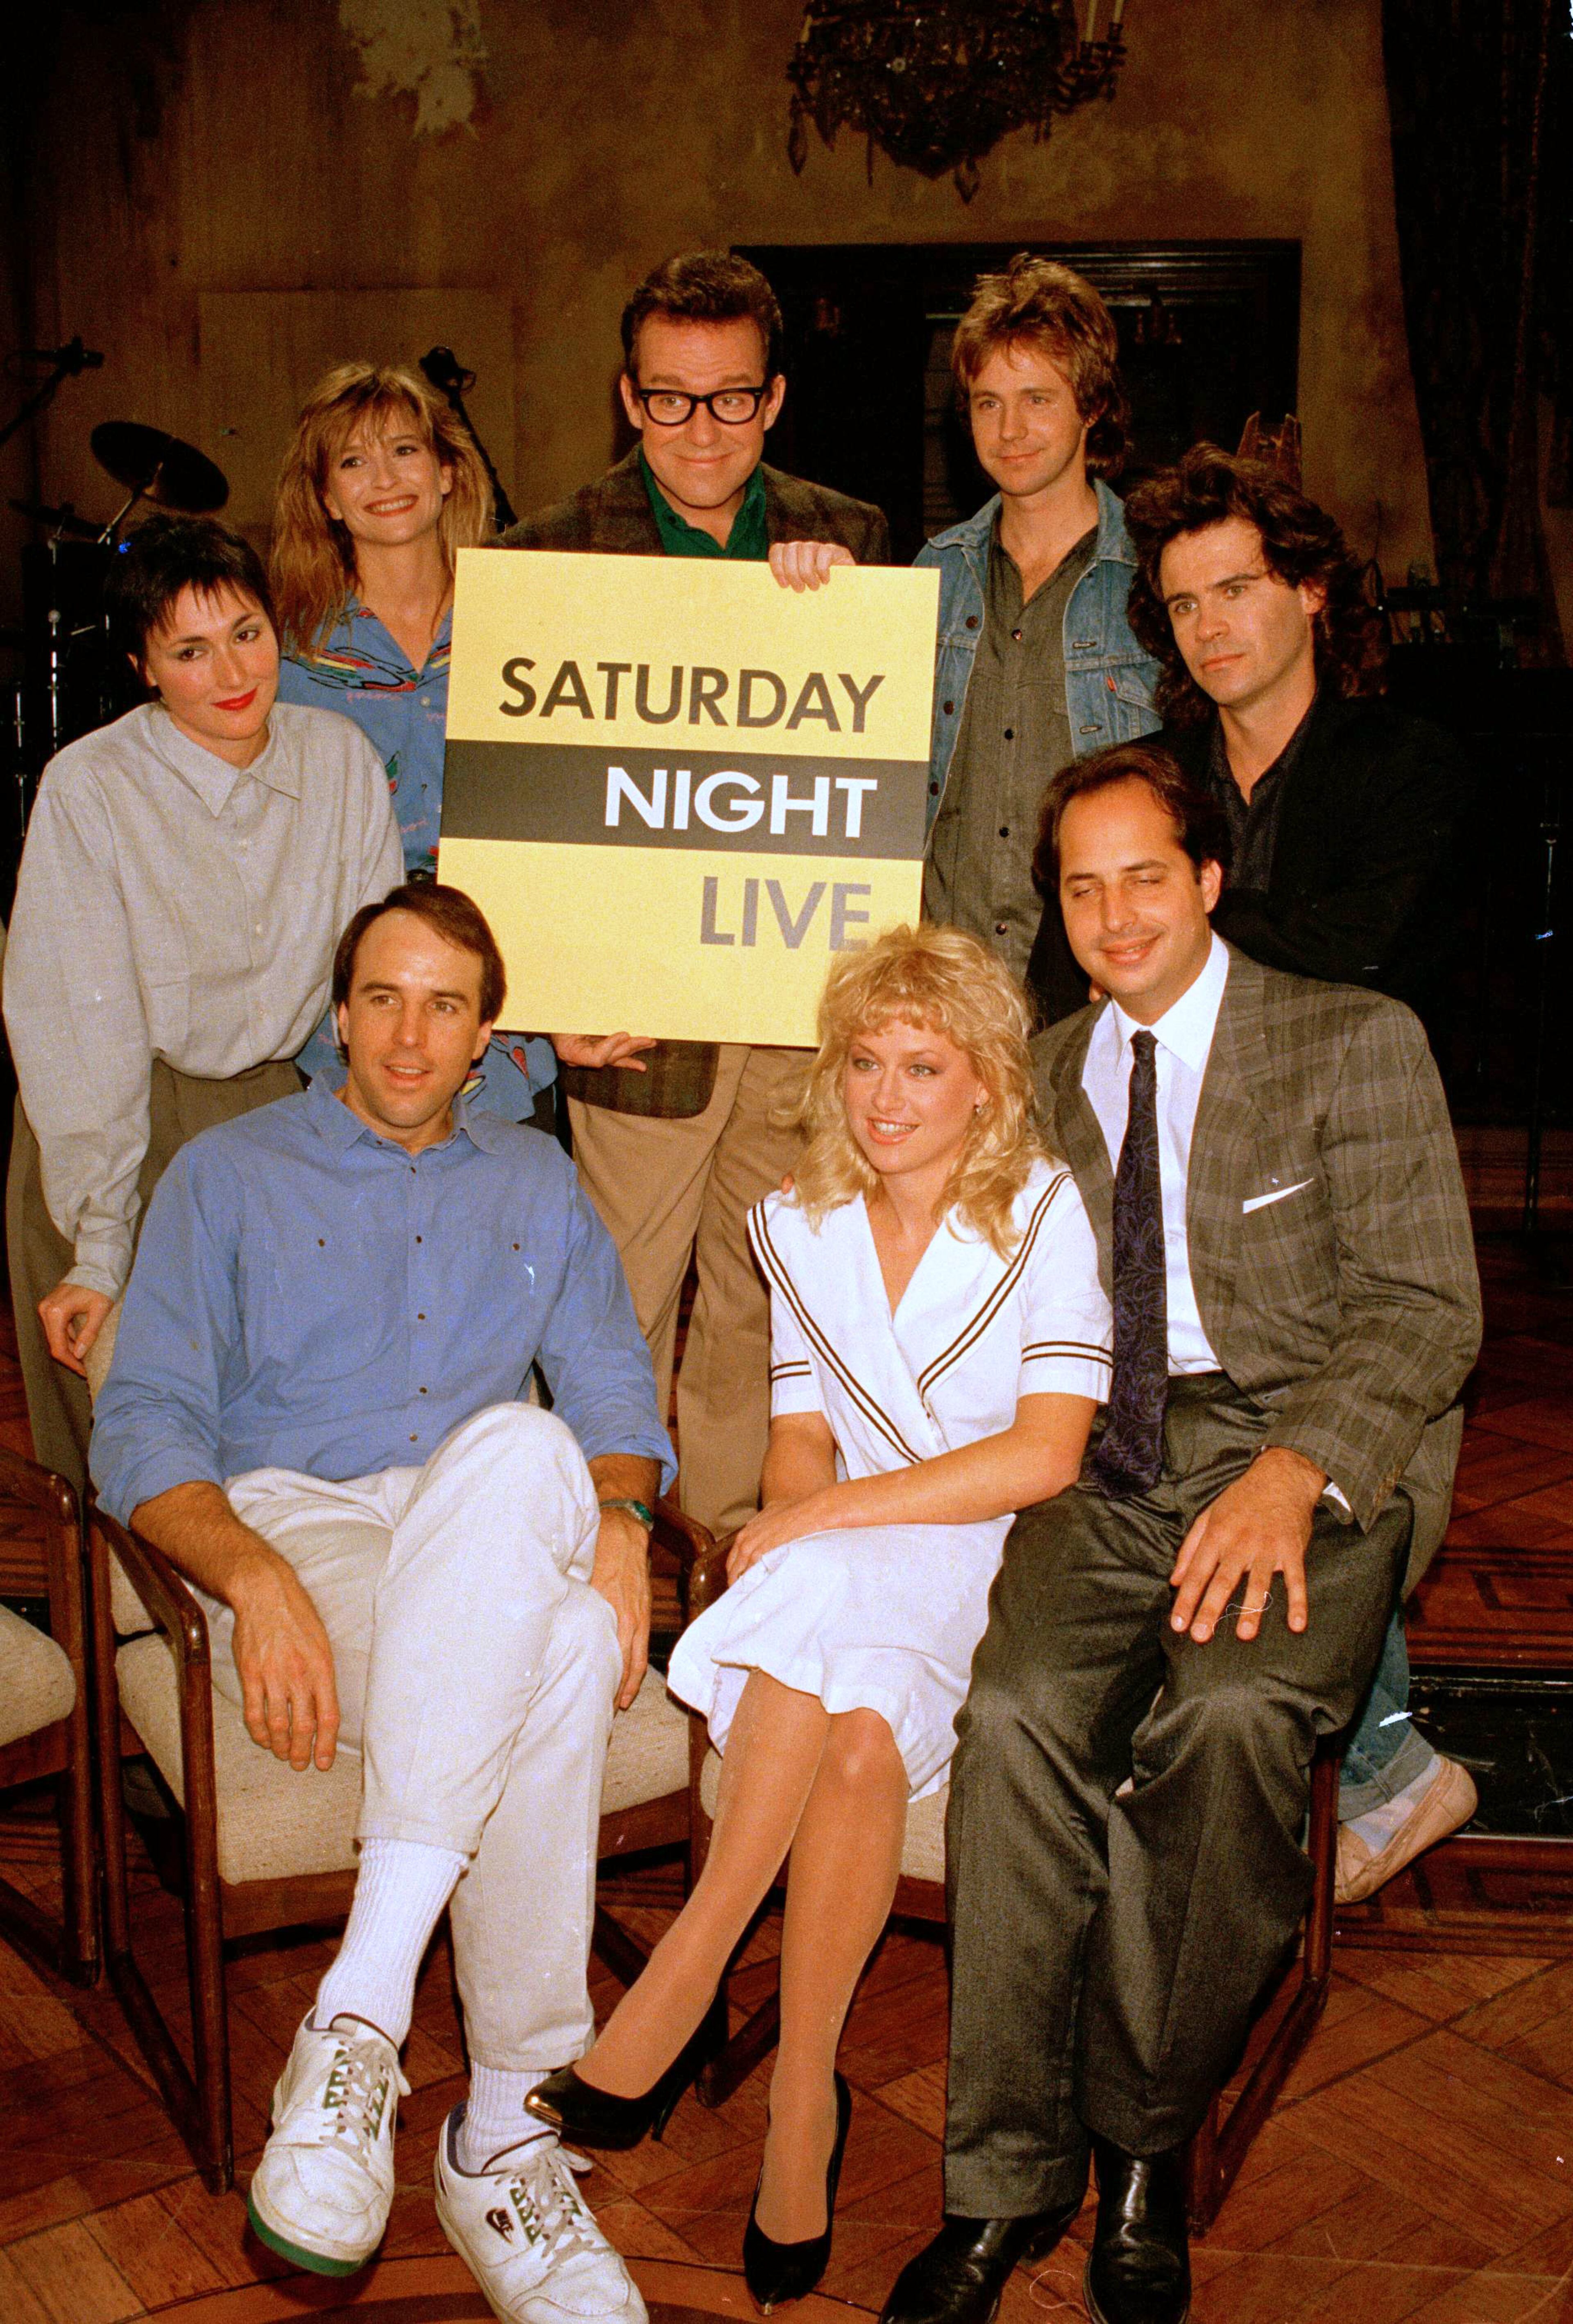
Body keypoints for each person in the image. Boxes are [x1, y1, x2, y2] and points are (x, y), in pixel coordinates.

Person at [881, 744, 1480, 2324]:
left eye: (1146, 874)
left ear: (1209, 879)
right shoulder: (1051, 1075)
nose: (1114, 912)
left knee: (1225, 1719)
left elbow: (1429, 1312)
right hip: (1112, 1462)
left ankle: (1142, 2143)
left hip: (1307, 1449)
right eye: (1081, 887)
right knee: (1010, 1723)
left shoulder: (1352, 1040)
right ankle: (1001, 2185)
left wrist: (1300, 1471)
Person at [90, 883, 674, 2322]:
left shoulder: (534, 1182)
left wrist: (617, 1514)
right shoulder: (223, 1176)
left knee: (529, 1446)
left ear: (489, 1038)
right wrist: (254, 1576)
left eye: (448, 1006)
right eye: (384, 998)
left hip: (487, 1518)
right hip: (297, 1521)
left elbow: (606, 1381)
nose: (411, 1037)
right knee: (554, 1654)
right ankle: (505, 2131)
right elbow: (145, 1421)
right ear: (338, 1013)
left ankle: (358, 2011)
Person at [521, 925, 1111, 2308]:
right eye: (862, 1062)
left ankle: (682, 1976)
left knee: (810, 1580)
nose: (887, 1096)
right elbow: (798, 1435)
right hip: (849, 1574)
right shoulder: (796, 1219)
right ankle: (803, 2099)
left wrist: (809, 1525)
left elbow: (1046, 1456)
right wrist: (799, 1518)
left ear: (985, 1086)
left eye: (924, 1065)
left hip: (993, 1560)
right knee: (847, 1739)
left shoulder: (1042, 1211)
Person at [1052, 443, 1477, 1903]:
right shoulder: (1163, 786)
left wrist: (1188, 961)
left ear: (1307, 591)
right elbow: (1098, 969)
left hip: (1353, 1148)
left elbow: (1366, 960)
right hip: (1184, 1156)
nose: (1212, 623)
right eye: (1180, 604)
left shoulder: (1396, 760)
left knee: (1309, 1361)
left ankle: (1388, 1761)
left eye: (1238, 588)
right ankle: (1344, 1757)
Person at [500, 247, 890, 1543]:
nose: (701, 429)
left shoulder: (853, 542)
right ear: (628, 396)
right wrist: (550, 998)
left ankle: (734, 1567)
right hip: (638, 1034)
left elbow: (873, 773)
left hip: (791, 1014)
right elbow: (528, 807)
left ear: (773, 400)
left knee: (763, 1311)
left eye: (730, 399)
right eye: (672, 398)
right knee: (609, 1304)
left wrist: (837, 622)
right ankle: (577, 1565)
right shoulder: (551, 553)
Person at [3, 513, 401, 1495]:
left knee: (265, 1430)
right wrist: (102, 1242)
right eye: (190, 650)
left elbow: (376, 970)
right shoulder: (89, 787)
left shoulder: (338, 756)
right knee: (116, 1440)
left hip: (272, 1106)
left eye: (247, 633)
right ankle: (115, 1630)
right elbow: (81, 1031)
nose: (232, 671)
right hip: (105, 1116)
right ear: (145, 665)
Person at [270, 359, 555, 1114]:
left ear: (448, 470)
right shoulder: (283, 659)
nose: (384, 478)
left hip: (513, 1013)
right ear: (327, 498)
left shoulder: (532, 629)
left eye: (404, 450)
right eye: (353, 462)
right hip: (352, 1021)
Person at [918, 255, 1160, 1005]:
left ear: (1091, 406)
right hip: (946, 978)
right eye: (988, 404)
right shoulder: (935, 570)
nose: (1010, 430)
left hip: (1090, 983)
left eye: (1036, 399)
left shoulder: (1153, 577)